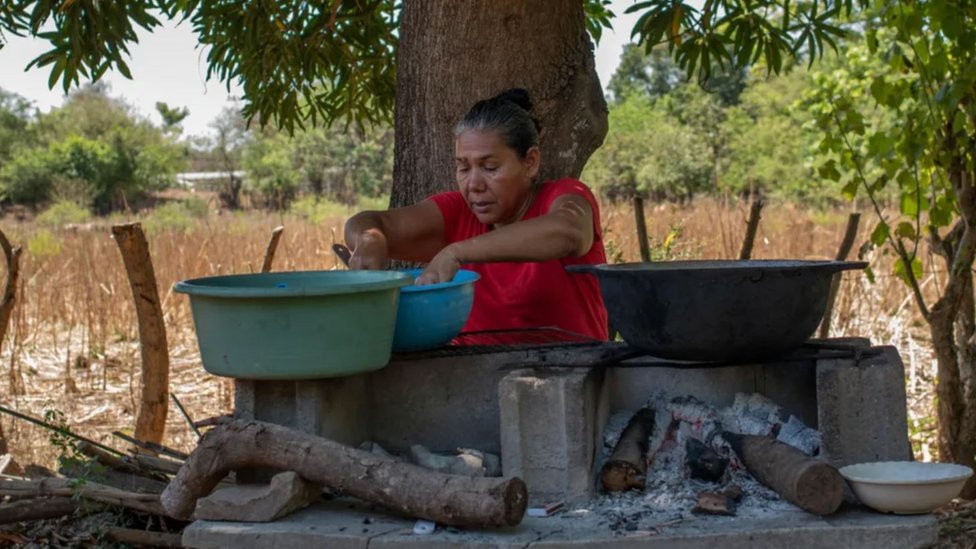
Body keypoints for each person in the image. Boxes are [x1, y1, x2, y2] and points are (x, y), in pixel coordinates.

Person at [343, 88, 608, 343]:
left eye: (490, 167)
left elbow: (569, 232)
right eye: (463, 168)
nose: (474, 184)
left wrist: (455, 253)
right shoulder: (457, 212)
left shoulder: (563, 197)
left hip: (573, 378)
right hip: (476, 380)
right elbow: (366, 223)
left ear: (530, 162)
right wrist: (370, 242)